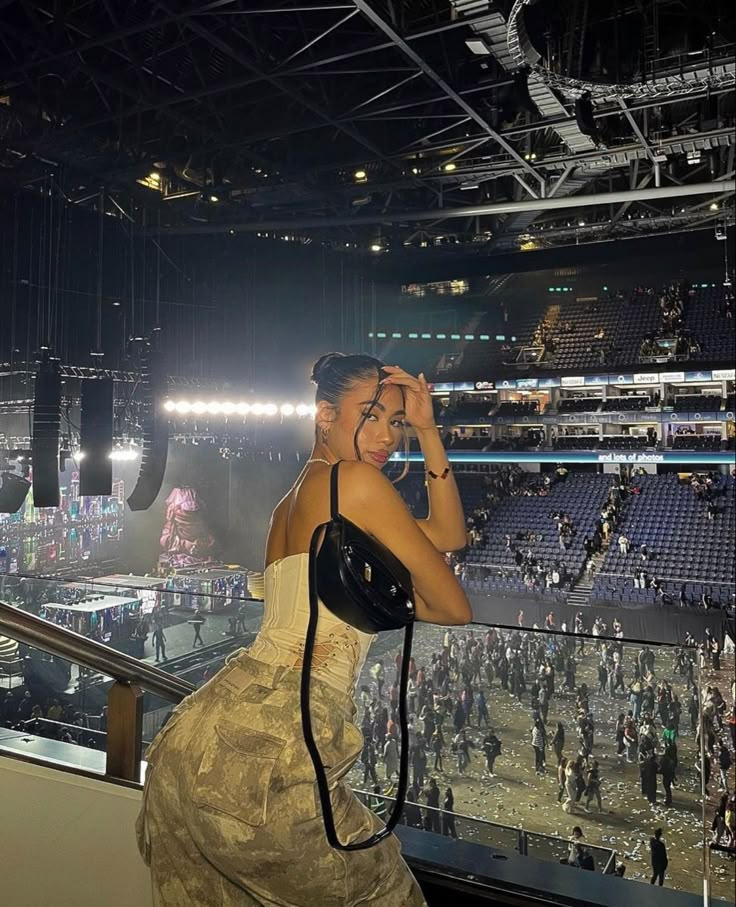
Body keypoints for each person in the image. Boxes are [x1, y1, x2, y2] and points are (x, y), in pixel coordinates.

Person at [137, 353, 472, 905]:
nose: (388, 435)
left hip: (195, 739)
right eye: (370, 415)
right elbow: (453, 605)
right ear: (324, 415)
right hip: (271, 748)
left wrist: (428, 428)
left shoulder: (288, 505)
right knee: (384, 895)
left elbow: (446, 533)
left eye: (398, 421)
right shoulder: (355, 483)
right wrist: (432, 435)